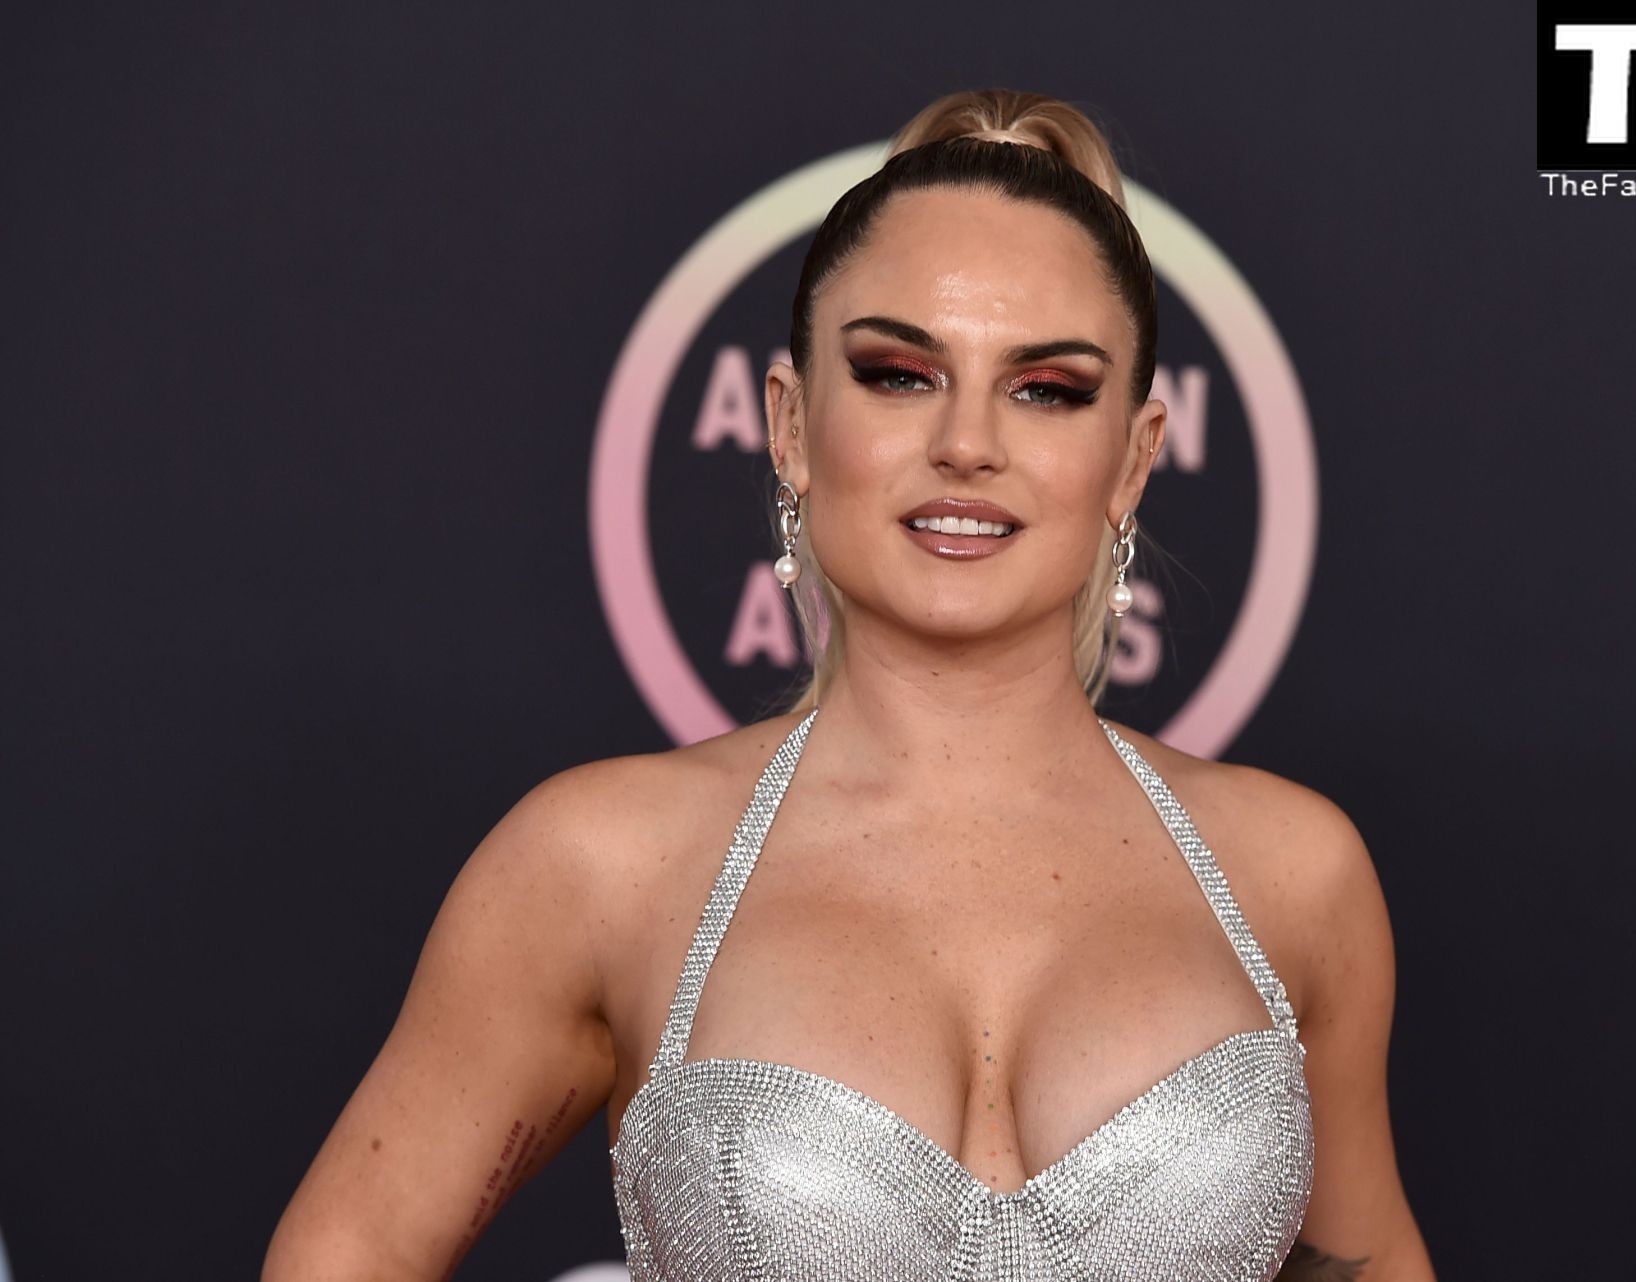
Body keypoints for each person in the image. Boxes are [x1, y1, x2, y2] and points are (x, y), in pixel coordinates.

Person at [264, 89, 1436, 1281]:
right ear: (789, 425)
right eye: (898, 373)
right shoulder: (604, 865)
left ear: (1133, 459)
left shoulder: (1293, 876)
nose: (968, 443)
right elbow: (349, 1248)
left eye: (1047, 388)